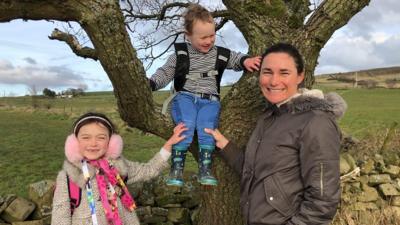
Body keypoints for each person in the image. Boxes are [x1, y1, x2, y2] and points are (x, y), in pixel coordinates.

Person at [205, 43, 346, 225]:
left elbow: (323, 202)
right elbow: (257, 171)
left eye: (284, 73)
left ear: (300, 76)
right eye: (267, 72)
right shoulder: (269, 117)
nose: (273, 81)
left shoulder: (316, 122)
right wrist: (224, 144)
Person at [148, 3, 261, 187]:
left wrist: (246, 60)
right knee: (186, 125)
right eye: (203, 37)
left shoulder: (219, 54)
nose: (209, 40)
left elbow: (235, 58)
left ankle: (205, 169)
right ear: (188, 35)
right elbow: (165, 72)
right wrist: (151, 83)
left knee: (207, 128)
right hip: (185, 97)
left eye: (212, 35)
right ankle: (176, 169)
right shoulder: (180, 54)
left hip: (210, 101)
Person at [51, 112, 186, 225]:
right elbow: (60, 219)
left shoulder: (118, 167)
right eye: (86, 137)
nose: (93, 143)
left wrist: (169, 144)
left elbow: (148, 170)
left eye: (101, 137)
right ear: (75, 142)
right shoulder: (68, 177)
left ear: (111, 142)